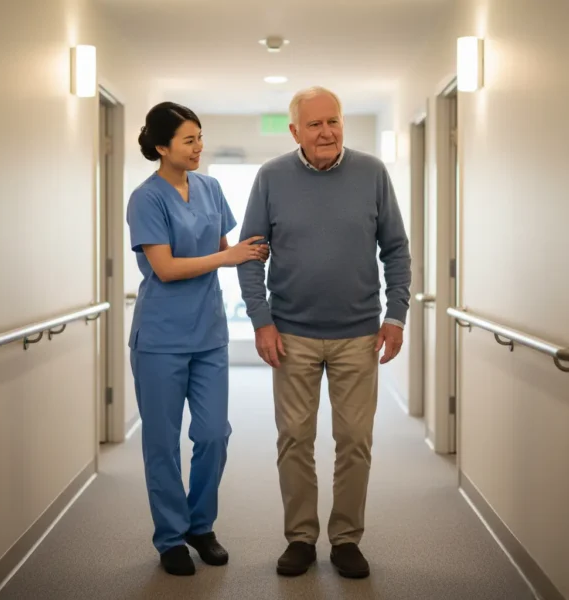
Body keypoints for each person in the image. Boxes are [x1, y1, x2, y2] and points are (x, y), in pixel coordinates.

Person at [237, 87, 411, 579]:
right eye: (314, 125)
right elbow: (252, 254)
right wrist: (261, 320)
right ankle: (300, 537)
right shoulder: (271, 177)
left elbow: (396, 249)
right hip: (291, 334)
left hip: (358, 334)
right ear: (295, 131)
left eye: (333, 121)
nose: (326, 132)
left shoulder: (372, 173)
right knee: (294, 438)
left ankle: (346, 539)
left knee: (354, 439)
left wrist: (395, 315)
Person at [126, 102, 268, 577]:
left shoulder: (210, 187)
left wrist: (257, 252)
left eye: (200, 137)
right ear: (162, 147)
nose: (198, 147)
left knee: (213, 434)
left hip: (208, 334)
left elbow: (226, 250)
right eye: (189, 140)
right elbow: (165, 268)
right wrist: (225, 260)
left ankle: (200, 525)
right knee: (162, 443)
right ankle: (170, 536)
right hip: (161, 337)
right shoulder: (146, 198)